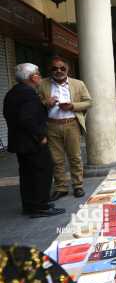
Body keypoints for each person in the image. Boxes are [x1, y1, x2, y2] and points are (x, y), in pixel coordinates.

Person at [3, 63, 65, 217]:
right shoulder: (28, 94)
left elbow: (16, 115)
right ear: (33, 77)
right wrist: (41, 136)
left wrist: (44, 106)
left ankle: (31, 205)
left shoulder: (13, 92)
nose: (40, 76)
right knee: (41, 172)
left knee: (27, 175)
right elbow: (27, 119)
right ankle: (41, 207)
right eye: (38, 73)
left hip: (20, 142)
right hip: (32, 143)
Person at [39, 57, 92, 201]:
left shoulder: (78, 84)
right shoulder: (42, 84)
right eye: (55, 68)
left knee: (75, 157)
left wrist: (72, 106)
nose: (58, 71)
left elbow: (88, 102)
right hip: (51, 125)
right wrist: (45, 103)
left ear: (67, 69)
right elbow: (36, 103)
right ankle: (61, 187)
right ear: (50, 70)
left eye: (62, 68)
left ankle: (78, 185)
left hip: (71, 124)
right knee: (56, 159)